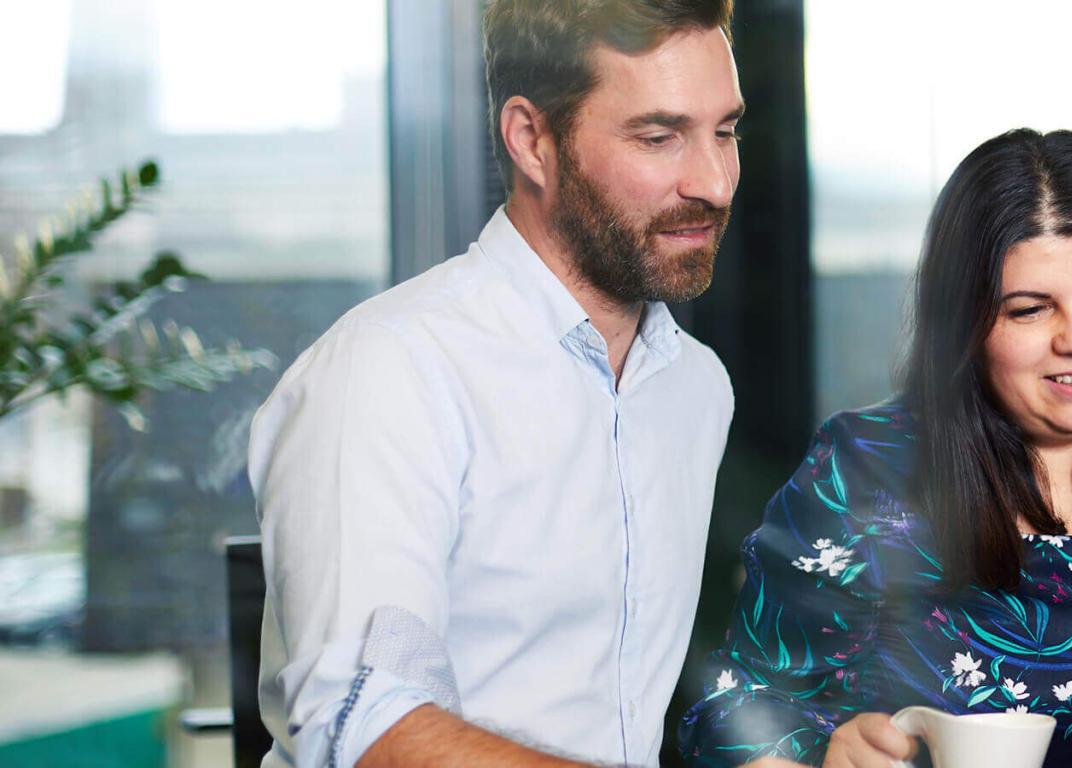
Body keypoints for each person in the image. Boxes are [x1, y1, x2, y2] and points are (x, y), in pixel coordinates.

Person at [246, 1, 741, 765]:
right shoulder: (389, 372)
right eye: (659, 136)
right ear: (531, 140)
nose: (712, 181)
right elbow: (363, 725)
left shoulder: (696, 390)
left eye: (725, 131)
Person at [674, 128, 1072, 768]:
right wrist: (825, 754)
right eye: (1028, 310)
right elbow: (732, 704)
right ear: (964, 324)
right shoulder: (867, 468)